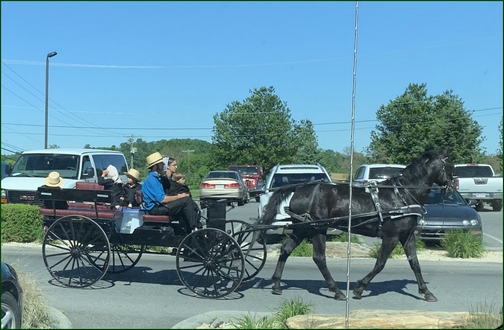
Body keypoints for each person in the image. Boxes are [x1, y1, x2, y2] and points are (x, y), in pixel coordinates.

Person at [141, 152, 201, 233]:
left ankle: (189, 229)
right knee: (186, 200)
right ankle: (194, 229)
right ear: (156, 166)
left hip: (159, 207)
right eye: (161, 163)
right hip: (155, 209)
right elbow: (162, 199)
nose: (163, 165)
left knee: (186, 202)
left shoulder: (157, 178)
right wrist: (180, 196)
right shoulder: (151, 180)